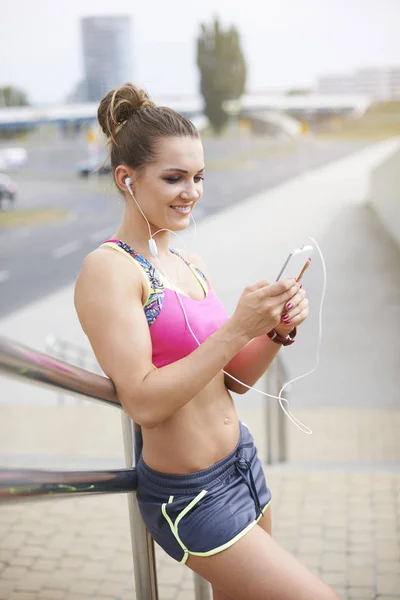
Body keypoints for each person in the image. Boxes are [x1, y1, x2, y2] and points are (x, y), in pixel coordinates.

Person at [74, 83, 340, 600]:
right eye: (174, 177)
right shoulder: (108, 270)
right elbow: (145, 401)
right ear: (126, 179)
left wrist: (275, 331)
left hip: (241, 462)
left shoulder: (190, 265)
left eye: (197, 177)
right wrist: (238, 327)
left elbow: (234, 380)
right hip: (191, 495)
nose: (191, 191)